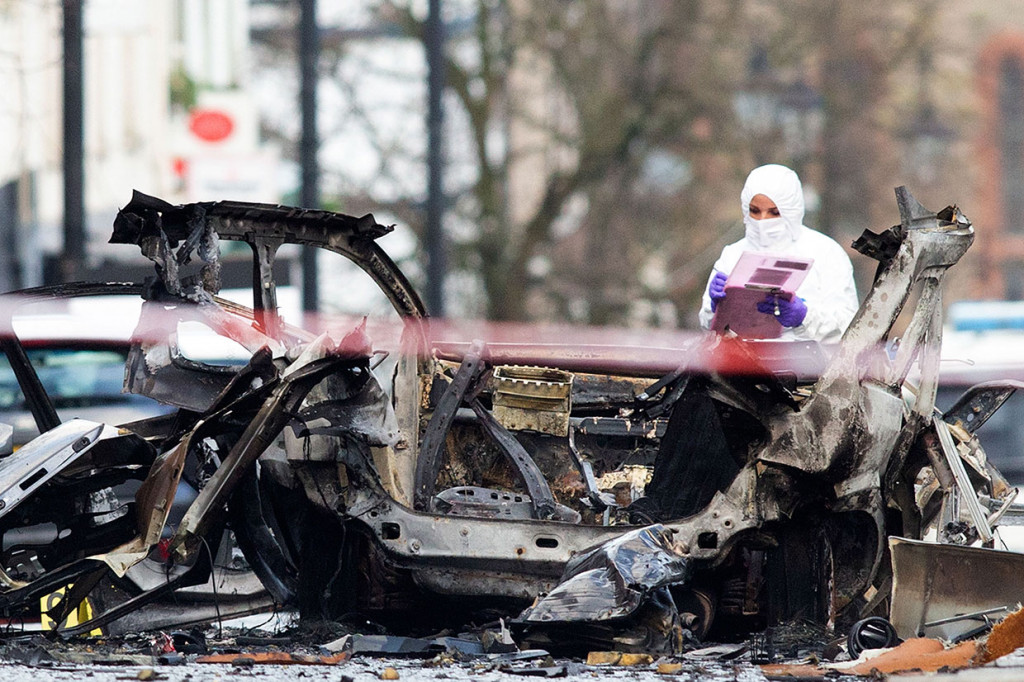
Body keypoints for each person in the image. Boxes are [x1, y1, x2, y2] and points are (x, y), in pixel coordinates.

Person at [698, 164, 858, 343]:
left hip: (809, 367)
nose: (762, 221)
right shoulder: (732, 255)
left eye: (774, 212)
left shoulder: (826, 253)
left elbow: (850, 326)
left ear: (791, 210)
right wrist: (715, 308)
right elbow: (709, 329)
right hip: (740, 366)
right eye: (755, 211)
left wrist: (804, 317)